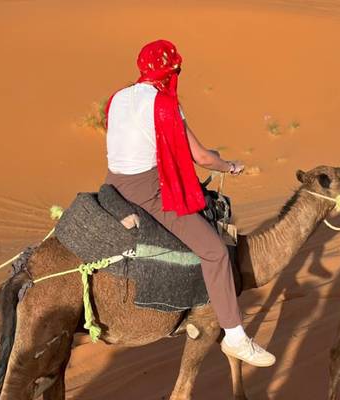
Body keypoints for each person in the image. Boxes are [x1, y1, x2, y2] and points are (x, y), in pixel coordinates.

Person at [103, 39, 275, 367]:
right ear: (169, 72)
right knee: (214, 251)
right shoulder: (163, 104)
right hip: (147, 193)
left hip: (113, 185)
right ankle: (235, 336)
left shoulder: (117, 98)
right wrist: (229, 166)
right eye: (176, 70)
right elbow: (202, 158)